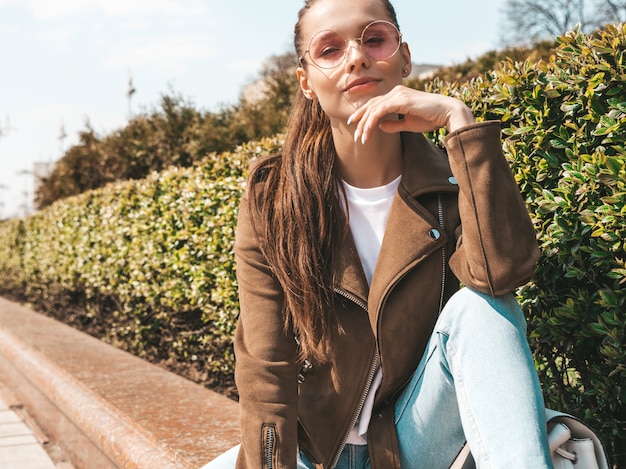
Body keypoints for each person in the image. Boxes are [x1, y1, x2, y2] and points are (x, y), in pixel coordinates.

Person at [210, 0, 554, 467]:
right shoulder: (274, 198)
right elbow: (265, 364)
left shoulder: (451, 181)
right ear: (306, 82)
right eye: (329, 49)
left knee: (484, 308)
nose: (356, 57)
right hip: (320, 454)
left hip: (411, 439)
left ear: (404, 58)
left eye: (374, 39)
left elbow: (500, 276)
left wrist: (460, 121)